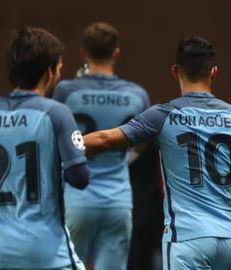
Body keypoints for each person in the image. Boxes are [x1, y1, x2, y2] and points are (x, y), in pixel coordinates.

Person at [82, 36, 231, 270]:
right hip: (230, 238)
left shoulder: (163, 115)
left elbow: (105, 139)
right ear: (214, 72)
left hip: (186, 239)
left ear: (174, 71)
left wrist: (61, 144)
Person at [0, 27, 89, 270]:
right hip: (47, 251)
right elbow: (80, 177)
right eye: (60, 67)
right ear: (49, 71)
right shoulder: (56, 113)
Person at [52, 22, 150, 270]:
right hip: (118, 200)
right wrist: (121, 159)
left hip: (76, 200)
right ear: (116, 54)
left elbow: (53, 139)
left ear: (83, 53)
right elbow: (142, 144)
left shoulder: (66, 91)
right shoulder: (137, 95)